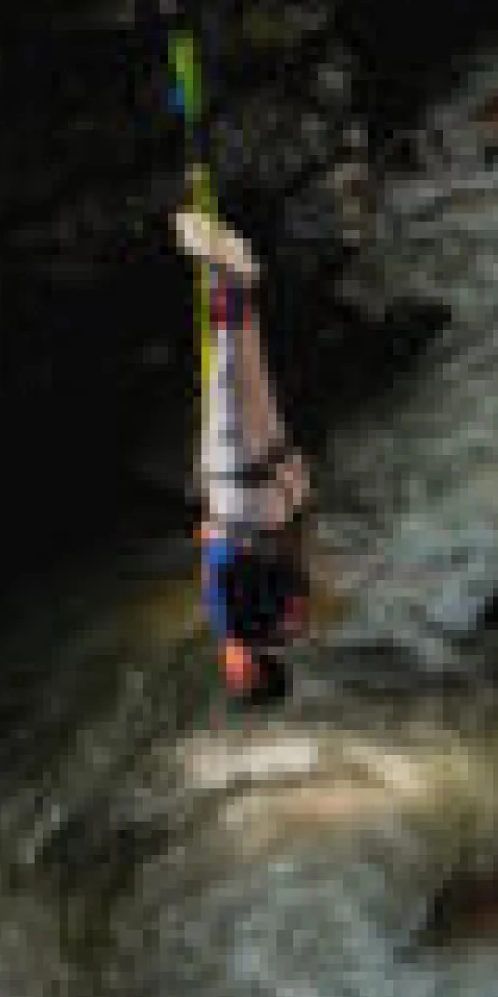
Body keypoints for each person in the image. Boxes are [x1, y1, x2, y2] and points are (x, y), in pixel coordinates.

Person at [174, 204, 313, 703]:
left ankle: (237, 281)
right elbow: (228, 564)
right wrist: (210, 536)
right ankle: (231, 273)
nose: (228, 675)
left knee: (250, 371)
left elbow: (292, 565)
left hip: (283, 487)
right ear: (253, 673)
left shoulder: (289, 626)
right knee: (228, 374)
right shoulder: (239, 626)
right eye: (236, 682)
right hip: (242, 500)